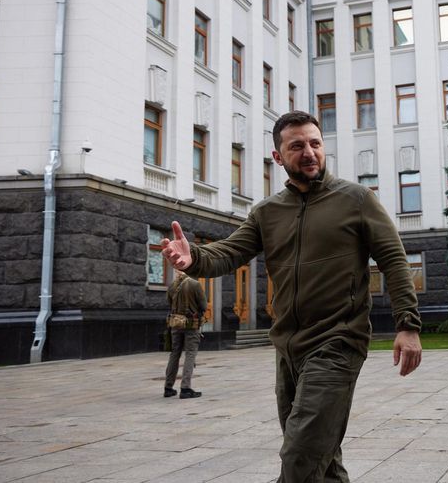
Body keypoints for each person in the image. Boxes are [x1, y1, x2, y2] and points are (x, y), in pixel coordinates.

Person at [159, 111, 422, 482]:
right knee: (322, 460)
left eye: (315, 143)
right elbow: (230, 253)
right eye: (297, 146)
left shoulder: (357, 199)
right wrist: (194, 259)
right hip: (288, 349)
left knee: (299, 455)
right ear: (278, 157)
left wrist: (407, 325)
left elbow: (394, 260)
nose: (309, 152)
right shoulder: (267, 212)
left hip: (338, 342)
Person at [164, 270, 207, 399]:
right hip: (190, 324)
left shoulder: (172, 286)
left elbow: (169, 303)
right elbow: (203, 305)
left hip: (175, 323)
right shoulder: (195, 284)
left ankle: (168, 387)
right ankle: (185, 388)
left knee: (174, 353)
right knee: (190, 353)